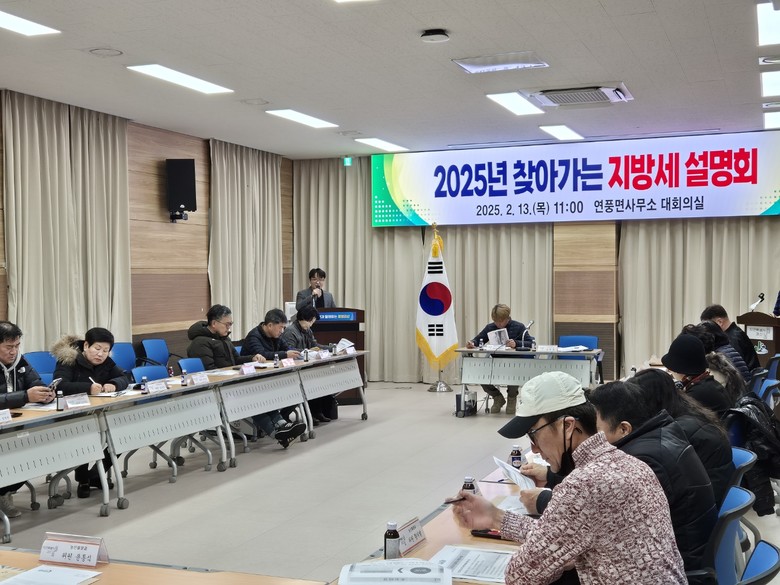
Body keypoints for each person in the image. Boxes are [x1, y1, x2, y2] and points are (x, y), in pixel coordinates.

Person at [452, 371, 686, 584]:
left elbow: (520, 575)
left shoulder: (585, 483)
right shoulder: (628, 462)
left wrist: (554, 561)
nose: (533, 448)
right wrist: (496, 517)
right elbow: (559, 536)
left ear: (568, 426)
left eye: (533, 434)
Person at [588, 381, 717, 572]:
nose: (593, 439)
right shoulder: (661, 433)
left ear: (624, 429)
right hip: (691, 551)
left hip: (680, 570)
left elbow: (609, 521)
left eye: (597, 431)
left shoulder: (643, 460)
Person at [188, 305, 305, 449]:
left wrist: (252, 358)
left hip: (230, 383)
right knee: (252, 398)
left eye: (231, 324)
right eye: (227, 324)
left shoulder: (224, 339)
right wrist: (235, 373)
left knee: (258, 393)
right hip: (215, 390)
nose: (229, 328)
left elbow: (236, 360)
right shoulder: (200, 343)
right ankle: (277, 433)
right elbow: (209, 372)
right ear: (214, 323)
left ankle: (282, 425)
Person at [632, 368, 734, 507]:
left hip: (702, 506)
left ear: (649, 400)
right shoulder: (688, 411)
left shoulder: (679, 431)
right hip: (713, 494)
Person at [52, 327, 130, 498]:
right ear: (86, 345)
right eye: (97, 348)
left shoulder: (106, 362)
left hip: (98, 413)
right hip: (72, 415)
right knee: (86, 435)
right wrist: (88, 388)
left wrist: (114, 384)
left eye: (105, 350)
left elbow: (126, 377)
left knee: (122, 435)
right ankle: (83, 479)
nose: (100, 354)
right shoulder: (68, 360)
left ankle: (94, 475)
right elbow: (59, 386)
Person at [0, 321, 55, 517]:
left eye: (17, 346)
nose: (14, 351)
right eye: (9, 347)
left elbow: (36, 383)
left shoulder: (21, 362)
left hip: (17, 424)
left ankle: (4, 492)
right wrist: (25, 396)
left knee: (34, 454)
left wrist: (46, 394)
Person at [465, 304, 534, 414]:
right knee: (480, 374)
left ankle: (512, 398)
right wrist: (472, 343)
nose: (499, 324)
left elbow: (530, 343)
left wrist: (516, 343)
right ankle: (497, 397)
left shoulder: (519, 327)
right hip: (495, 363)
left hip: (514, 363)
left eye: (501, 321)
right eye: (496, 322)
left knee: (513, 375)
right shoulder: (490, 327)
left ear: (508, 318)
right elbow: (478, 339)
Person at [281, 305, 336, 424]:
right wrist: (308, 352)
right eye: (310, 321)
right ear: (303, 319)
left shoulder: (307, 330)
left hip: (306, 367)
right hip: (293, 370)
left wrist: (330, 349)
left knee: (318, 382)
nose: (311, 325)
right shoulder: (290, 332)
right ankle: (306, 415)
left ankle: (317, 413)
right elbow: (289, 351)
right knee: (307, 385)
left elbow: (315, 346)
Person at [661, 334, 732, 417]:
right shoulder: (708, 384)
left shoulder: (696, 395)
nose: (669, 370)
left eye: (670, 368)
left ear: (679, 369)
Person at [700, 304, 760, 372]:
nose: (707, 329)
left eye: (708, 325)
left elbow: (734, 371)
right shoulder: (736, 333)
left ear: (719, 322)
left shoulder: (731, 339)